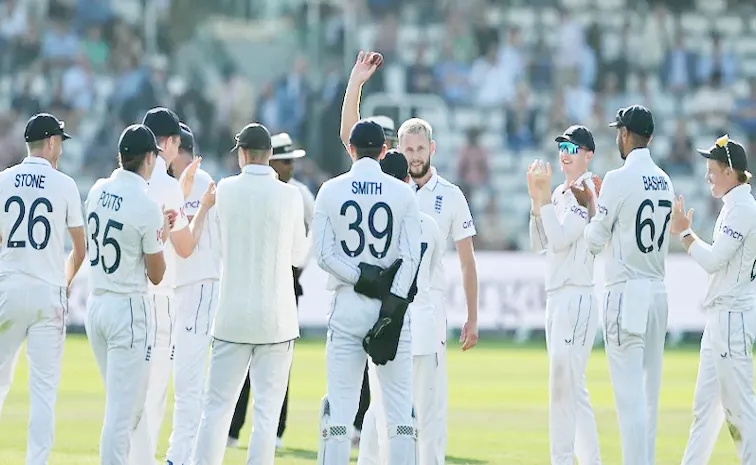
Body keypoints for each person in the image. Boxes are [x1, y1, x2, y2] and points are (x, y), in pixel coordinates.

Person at [191, 123, 310, 465]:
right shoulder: (290, 196)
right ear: (270, 155)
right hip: (277, 319)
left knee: (215, 411)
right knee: (266, 417)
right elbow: (298, 255)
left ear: (242, 154)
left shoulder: (224, 190)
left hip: (231, 316)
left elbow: (212, 245)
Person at [314, 119, 422, 465]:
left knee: (340, 414)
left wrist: (361, 277)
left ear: (351, 149)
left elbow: (323, 255)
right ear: (385, 151)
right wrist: (391, 306)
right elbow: (411, 257)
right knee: (401, 414)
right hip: (389, 312)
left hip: (347, 305)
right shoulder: (403, 193)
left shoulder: (330, 190)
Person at [570, 105, 674, 465]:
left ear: (627, 134)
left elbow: (595, 240)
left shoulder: (617, 178)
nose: (618, 137)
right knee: (649, 399)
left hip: (626, 290)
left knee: (629, 401)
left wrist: (590, 206)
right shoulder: (665, 179)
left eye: (619, 131)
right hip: (658, 292)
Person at [84, 124, 173, 465]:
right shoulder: (146, 204)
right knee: (123, 414)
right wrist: (159, 234)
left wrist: (155, 232)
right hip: (127, 310)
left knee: (129, 406)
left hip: (97, 305)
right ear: (149, 158)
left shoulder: (97, 189)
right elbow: (156, 274)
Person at [0, 113, 86, 465]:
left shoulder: (4, 180)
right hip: (48, 293)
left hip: (9, 287)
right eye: (60, 142)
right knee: (43, 392)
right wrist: (64, 282)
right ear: (51, 143)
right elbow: (80, 250)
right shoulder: (64, 184)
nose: (61, 149)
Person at [397, 117, 480, 463]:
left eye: (420, 149)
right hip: (392, 310)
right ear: (398, 151)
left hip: (430, 309)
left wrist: (472, 318)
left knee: (431, 406)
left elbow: (466, 262)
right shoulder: (390, 191)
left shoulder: (450, 195)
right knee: (391, 404)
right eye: (408, 150)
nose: (415, 157)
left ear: (432, 149)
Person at [227, 132, 315, 450]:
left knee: (278, 363)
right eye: (285, 161)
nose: (291, 167)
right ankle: (234, 429)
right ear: (270, 159)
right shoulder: (266, 191)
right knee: (244, 361)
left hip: (287, 281)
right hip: (256, 278)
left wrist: (296, 269)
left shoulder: (300, 194)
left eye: (292, 162)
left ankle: (276, 431)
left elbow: (311, 238)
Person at [356, 150, 444, 465]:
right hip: (421, 323)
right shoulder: (429, 224)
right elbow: (431, 273)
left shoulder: (378, 224)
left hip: (387, 323)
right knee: (418, 410)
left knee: (379, 408)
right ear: (408, 179)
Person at [672, 135, 756, 464]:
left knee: (739, 412)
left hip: (733, 317)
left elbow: (713, 260)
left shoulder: (744, 209)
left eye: (712, 169)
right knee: (704, 410)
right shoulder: (735, 206)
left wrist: (684, 233)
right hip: (720, 319)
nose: (707, 175)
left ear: (730, 172)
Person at [527, 126, 603, 465]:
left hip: (576, 296)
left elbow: (559, 239)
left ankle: (561, 459)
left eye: (573, 146)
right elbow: (539, 244)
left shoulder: (585, 190)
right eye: (561, 146)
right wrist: (537, 199)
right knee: (573, 389)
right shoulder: (560, 192)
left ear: (588, 154)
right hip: (557, 296)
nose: (565, 152)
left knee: (563, 388)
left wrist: (542, 198)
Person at [129, 107, 197, 465]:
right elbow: (185, 248)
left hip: (124, 296)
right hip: (158, 299)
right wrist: (198, 207)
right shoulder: (169, 186)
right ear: (168, 143)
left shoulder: (122, 177)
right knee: (154, 395)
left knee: (128, 393)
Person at [165, 122, 220, 465]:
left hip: (200, 286)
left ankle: (179, 457)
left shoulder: (205, 184)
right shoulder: (171, 186)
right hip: (177, 289)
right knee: (182, 380)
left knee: (188, 381)